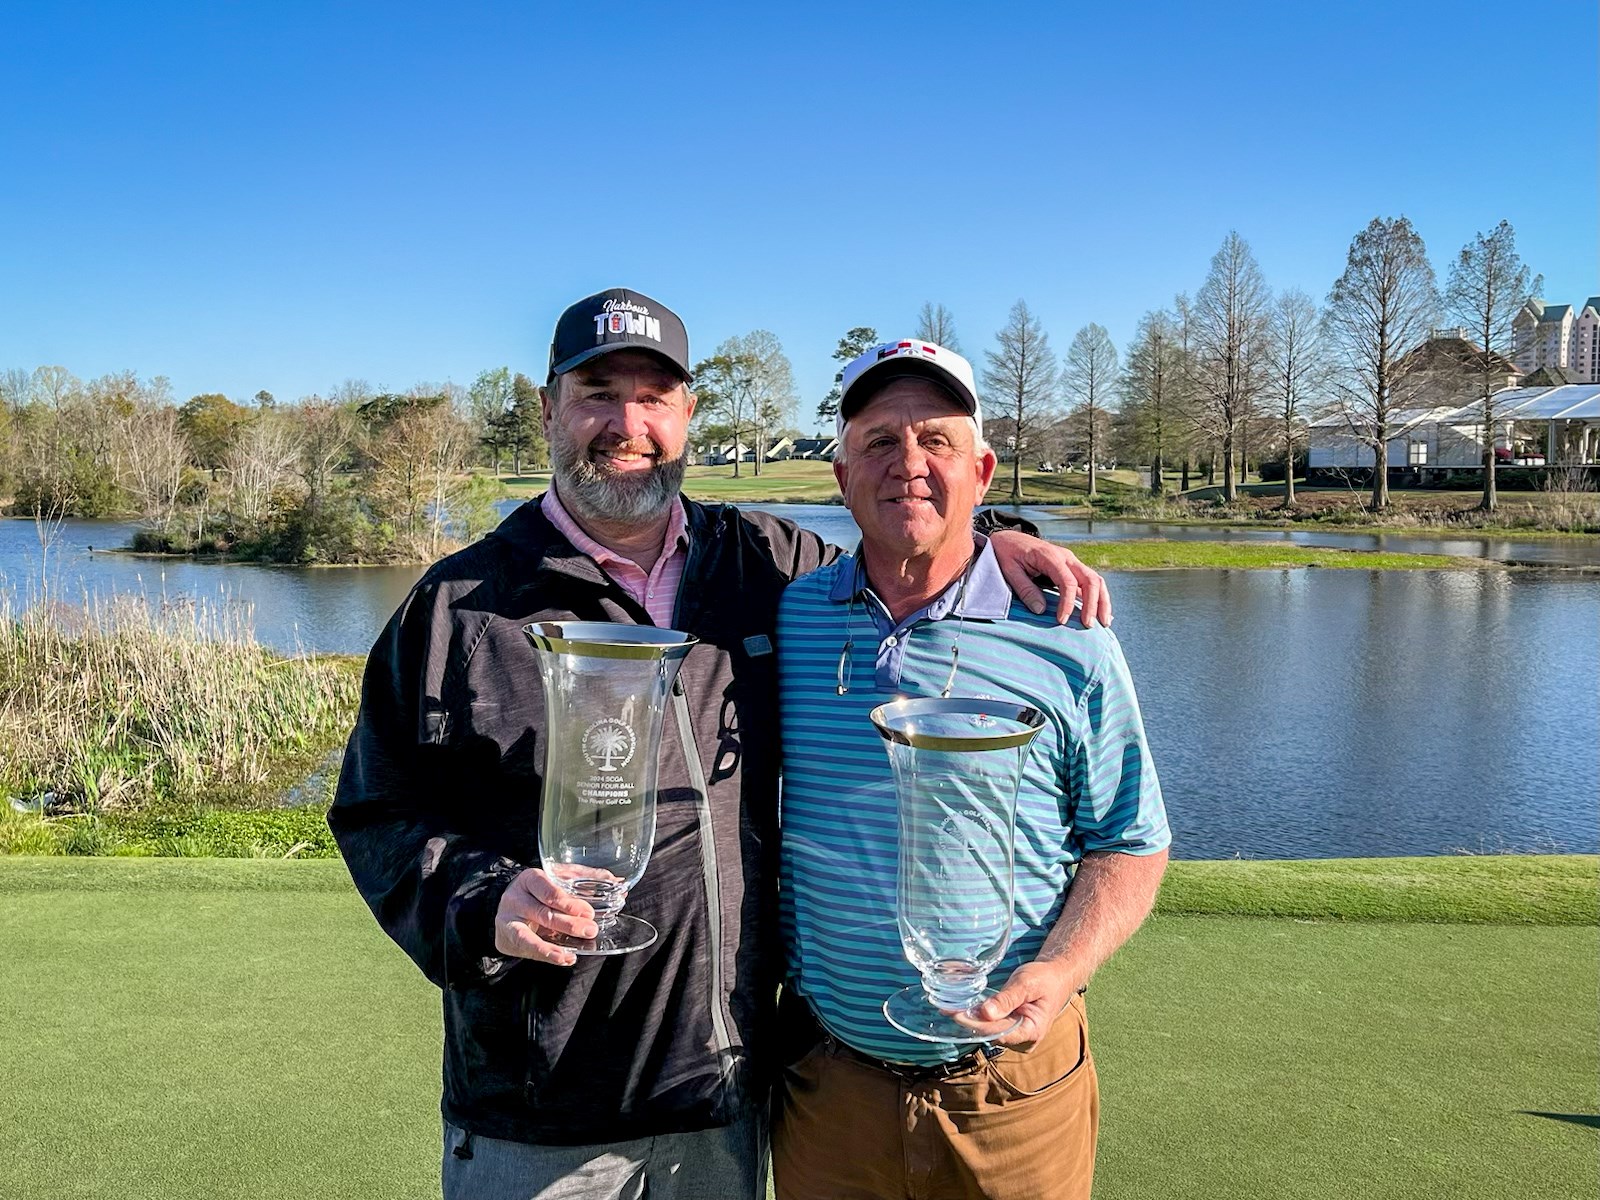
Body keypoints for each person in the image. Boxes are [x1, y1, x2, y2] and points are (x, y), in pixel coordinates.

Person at [327, 290, 1112, 1200]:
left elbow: (910, 544)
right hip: (540, 1113)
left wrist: (1001, 541)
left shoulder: (766, 567)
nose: (628, 423)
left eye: (656, 396)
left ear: (688, 414)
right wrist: (480, 902)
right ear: (547, 409)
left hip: (727, 1098)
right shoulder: (456, 608)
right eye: (597, 392)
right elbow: (376, 812)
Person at [774, 339, 1170, 1200]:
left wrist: (1062, 971)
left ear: (982, 473)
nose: (908, 465)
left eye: (936, 441)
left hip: (1011, 1095)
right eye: (878, 442)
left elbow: (1130, 841)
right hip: (827, 1091)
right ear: (840, 479)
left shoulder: (1068, 632)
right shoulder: (792, 615)